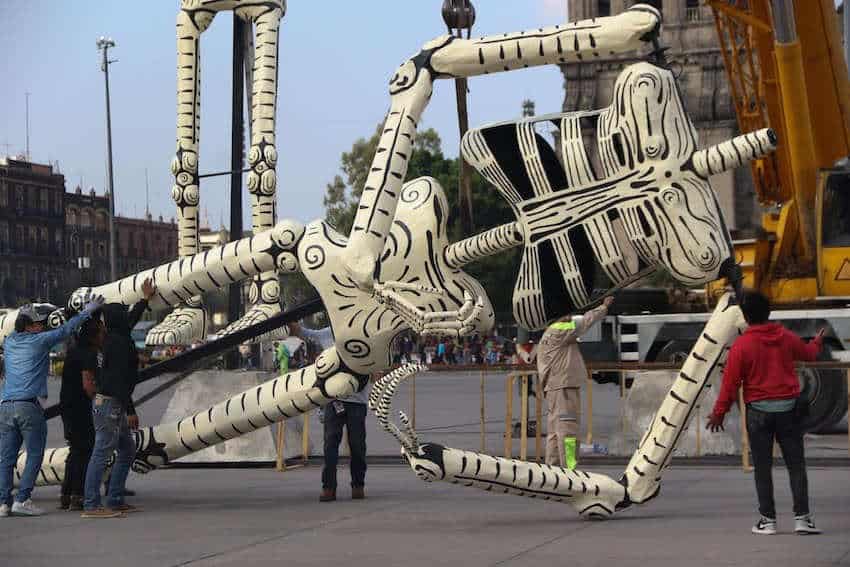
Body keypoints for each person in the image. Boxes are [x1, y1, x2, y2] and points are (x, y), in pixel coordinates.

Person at [707, 291, 822, 535]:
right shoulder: (786, 337)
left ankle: (768, 521)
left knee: (762, 467)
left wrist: (719, 413)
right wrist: (816, 343)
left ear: (746, 317)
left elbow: (730, 384)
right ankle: (803, 519)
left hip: (758, 413)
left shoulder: (742, 346)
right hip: (789, 411)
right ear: (769, 312)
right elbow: (809, 354)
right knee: (796, 466)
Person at [0, 297, 103, 517]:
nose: (42, 327)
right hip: (29, 405)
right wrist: (87, 311)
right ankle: (22, 500)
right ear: (29, 326)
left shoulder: (9, 342)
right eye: (38, 324)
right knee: (34, 454)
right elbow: (66, 330)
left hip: (6, 405)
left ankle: (3, 503)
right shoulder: (40, 341)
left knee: (6, 458)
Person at [82, 278, 155, 518]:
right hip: (111, 404)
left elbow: (130, 319)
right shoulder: (118, 344)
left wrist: (144, 300)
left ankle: (114, 499)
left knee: (126, 449)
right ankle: (92, 505)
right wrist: (130, 410)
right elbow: (119, 382)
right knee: (101, 453)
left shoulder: (116, 336)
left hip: (110, 403)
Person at [289, 321, 368, 502]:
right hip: (333, 400)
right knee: (330, 445)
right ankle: (329, 488)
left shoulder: (363, 334)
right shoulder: (328, 333)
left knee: (357, 446)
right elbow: (305, 332)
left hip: (357, 401)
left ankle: (358, 485)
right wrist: (287, 322)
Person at [538, 296, 613, 467]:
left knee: (555, 432)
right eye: (566, 314)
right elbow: (585, 321)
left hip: (555, 387)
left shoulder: (549, 333)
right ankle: (570, 469)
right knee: (568, 430)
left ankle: (552, 469)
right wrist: (603, 307)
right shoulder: (560, 329)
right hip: (564, 387)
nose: (569, 317)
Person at [58, 316, 105, 511]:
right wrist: (101, 397)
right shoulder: (88, 354)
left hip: (67, 405)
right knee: (85, 450)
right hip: (80, 408)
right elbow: (88, 385)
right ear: (94, 336)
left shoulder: (74, 350)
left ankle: (67, 494)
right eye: (102, 333)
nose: (104, 336)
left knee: (75, 450)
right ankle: (78, 495)